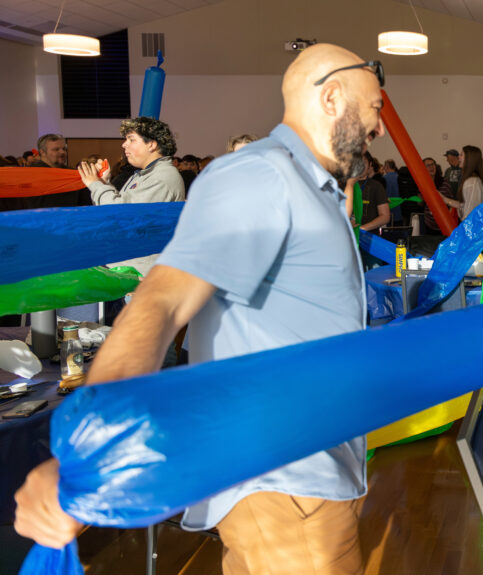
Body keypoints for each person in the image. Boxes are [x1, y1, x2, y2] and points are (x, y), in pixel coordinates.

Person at [15, 43, 385, 575]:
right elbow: (161, 300)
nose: (378, 128)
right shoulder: (260, 177)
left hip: (318, 471)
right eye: (374, 108)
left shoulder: (315, 189)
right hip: (284, 479)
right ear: (331, 98)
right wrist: (87, 448)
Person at [80, 117, 185, 206]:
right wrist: (104, 183)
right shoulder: (145, 174)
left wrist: (95, 184)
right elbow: (121, 204)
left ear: (151, 145)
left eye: (131, 139)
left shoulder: (162, 177)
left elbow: (120, 213)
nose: (124, 144)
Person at [356, 151, 391, 233]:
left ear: (370, 164)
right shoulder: (344, 185)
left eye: (363, 162)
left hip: (369, 236)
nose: (360, 166)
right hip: (347, 236)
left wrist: (361, 229)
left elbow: (385, 216)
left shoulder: (376, 186)